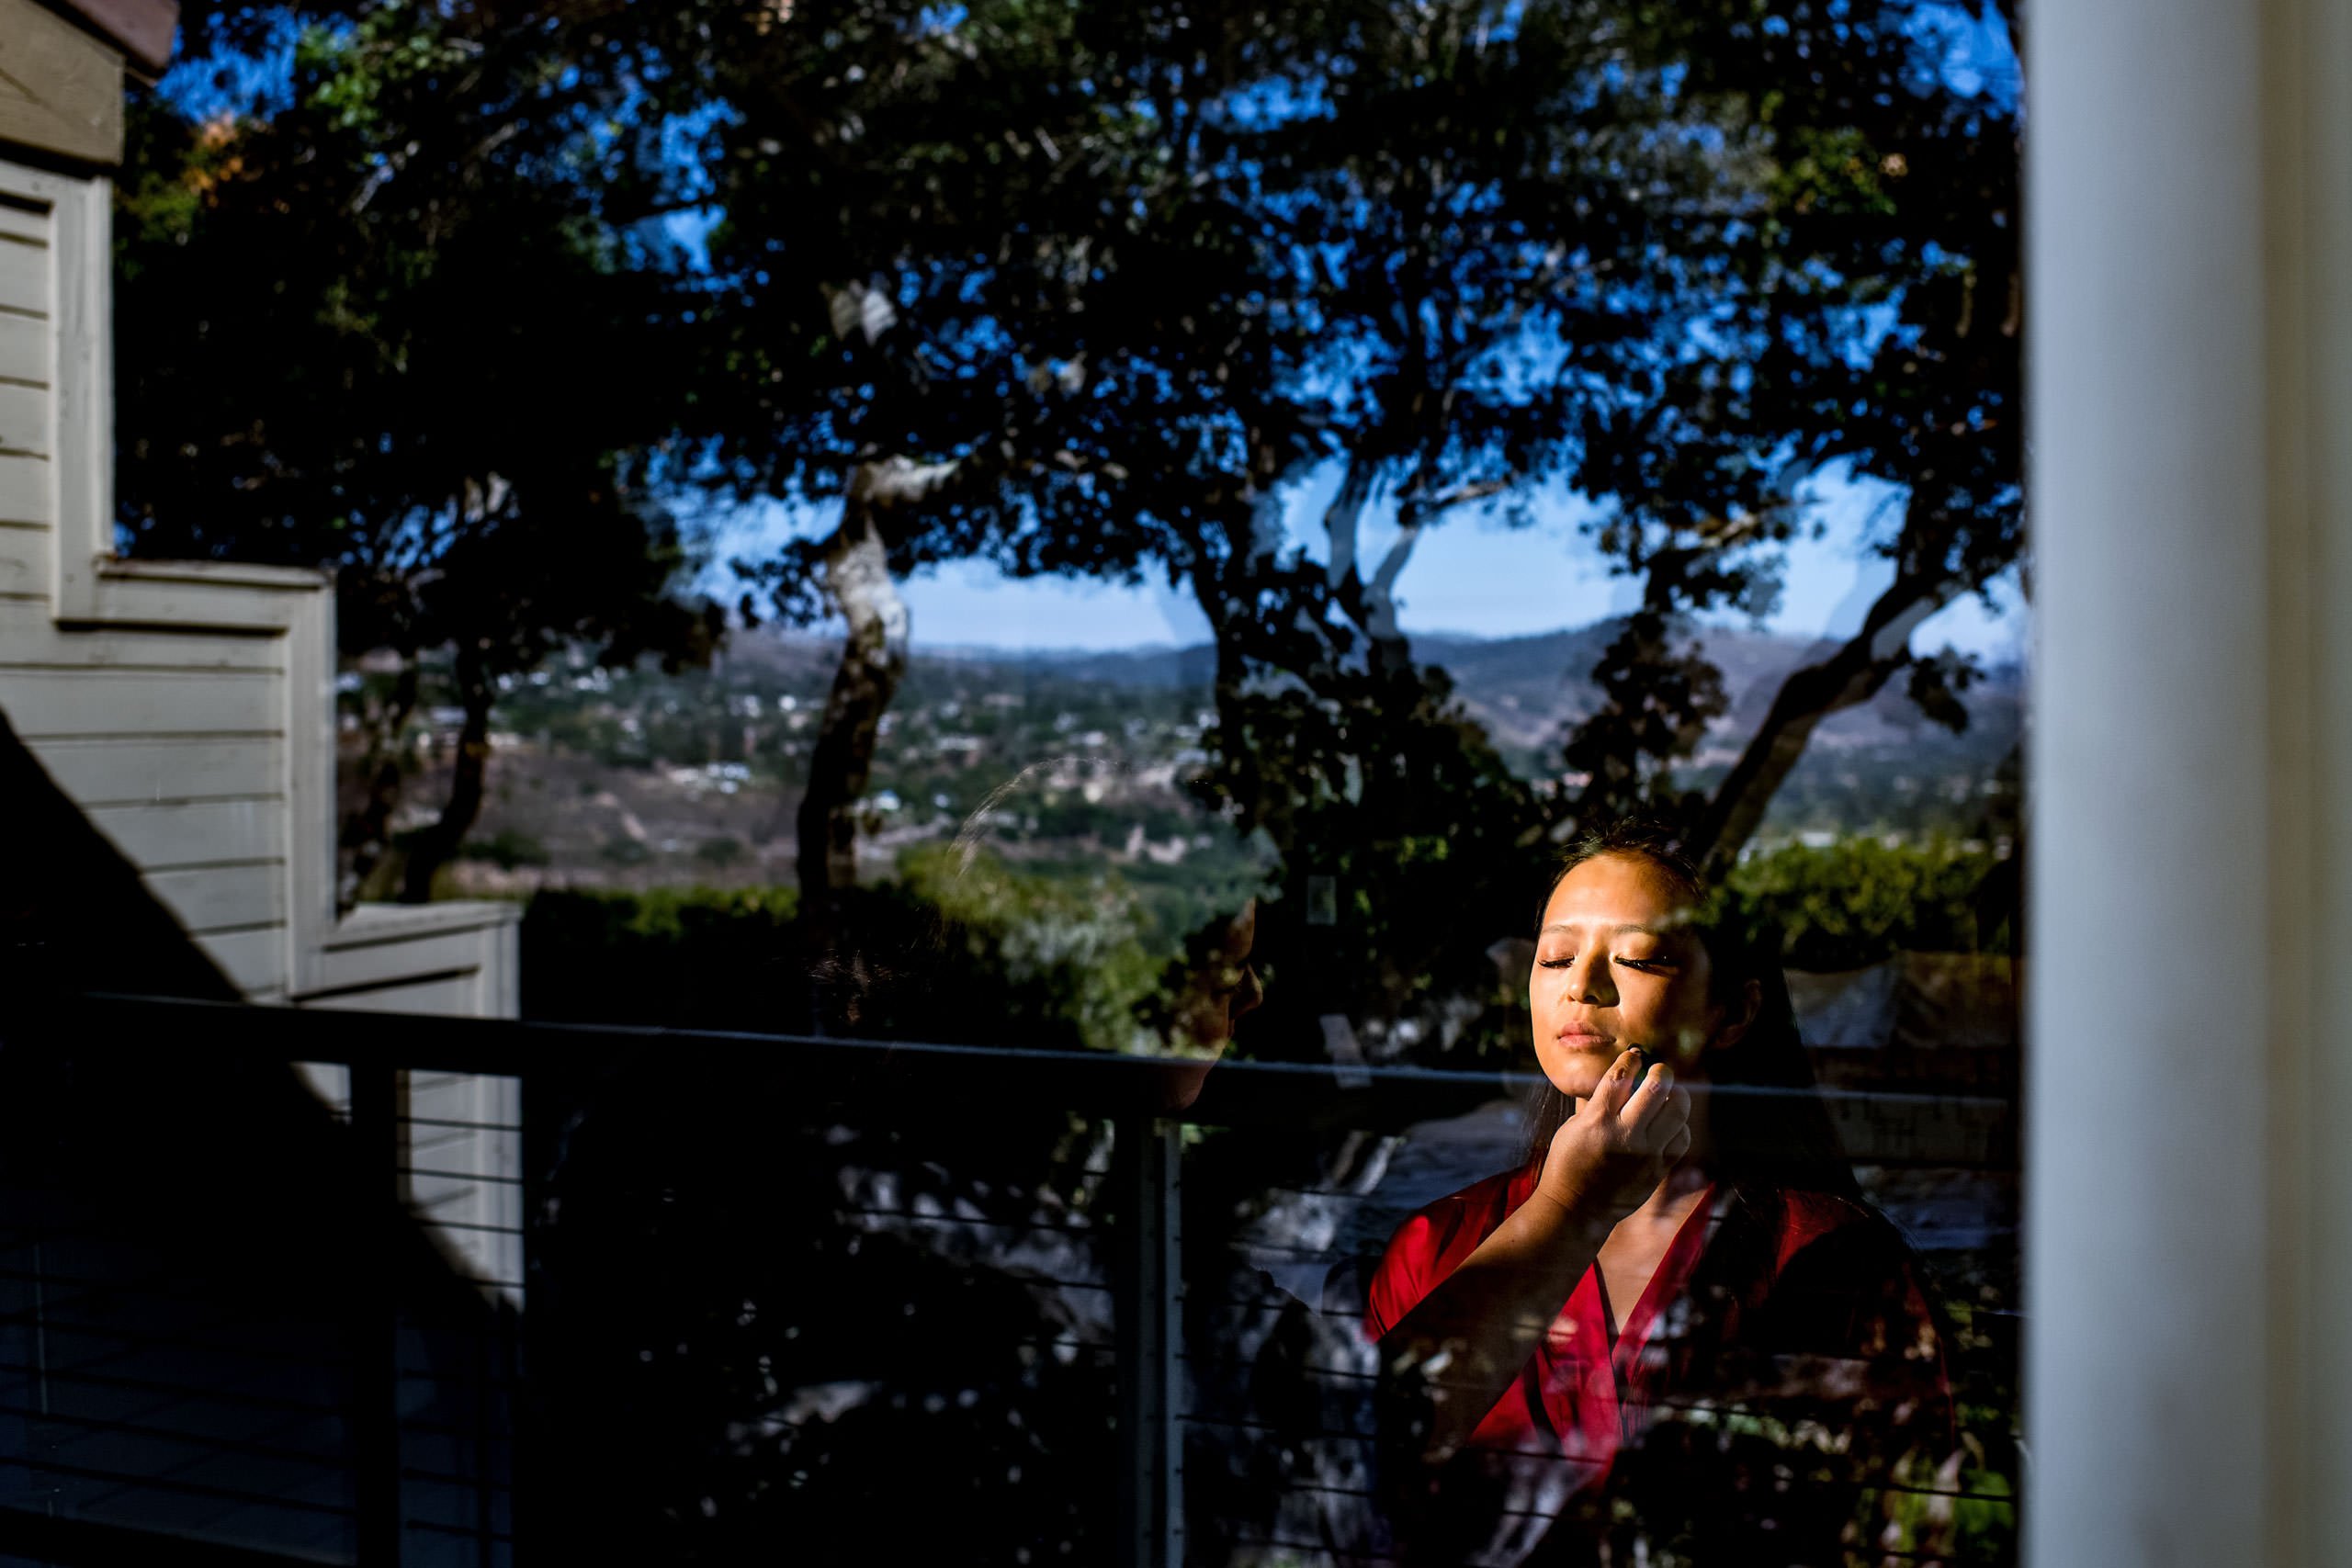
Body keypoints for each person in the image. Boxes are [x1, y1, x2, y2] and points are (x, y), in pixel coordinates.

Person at [1364, 821, 1954, 1566]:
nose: (1582, 985)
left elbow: (1905, 1529)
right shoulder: (1439, 1245)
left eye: (1637, 957)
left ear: (1734, 1012)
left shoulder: (1830, 1258)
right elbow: (1366, 1479)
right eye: (1555, 957)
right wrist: (1568, 1208)